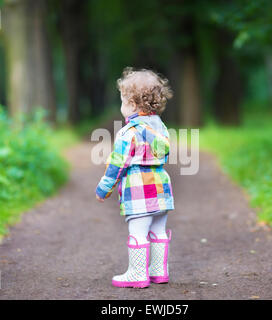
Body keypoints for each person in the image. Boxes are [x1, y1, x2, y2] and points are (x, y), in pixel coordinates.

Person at [95, 67, 175, 288]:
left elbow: (116, 165)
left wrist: (104, 188)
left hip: (139, 190)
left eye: (122, 101)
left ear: (132, 104)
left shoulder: (128, 132)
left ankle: (137, 273)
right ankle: (159, 271)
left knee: (138, 232)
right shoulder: (162, 128)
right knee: (158, 230)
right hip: (161, 186)